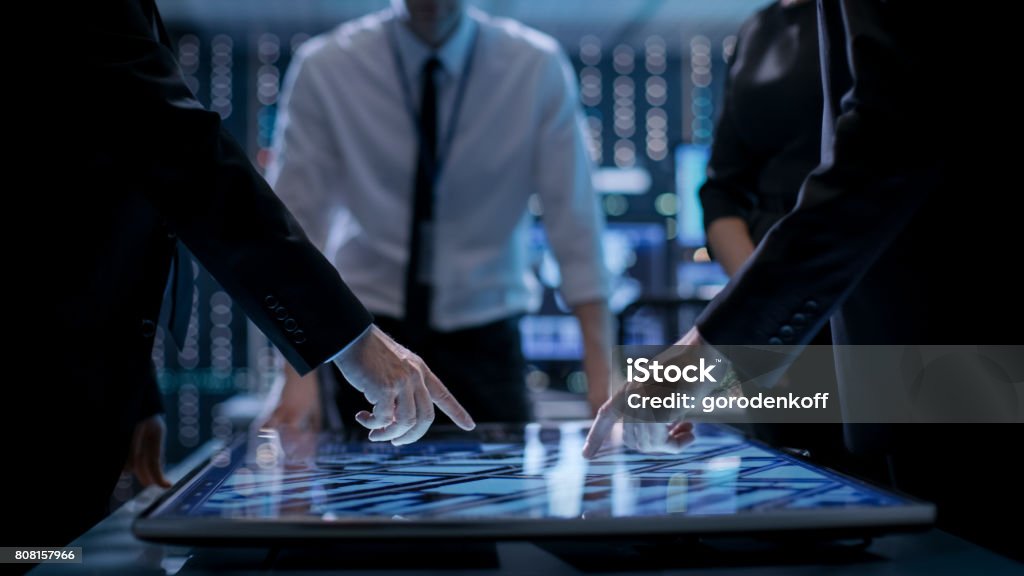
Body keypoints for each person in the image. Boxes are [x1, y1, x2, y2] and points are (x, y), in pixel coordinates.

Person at [22, 0, 473, 547]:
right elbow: (181, 155)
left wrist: (137, 390)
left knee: (49, 552)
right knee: (28, 555)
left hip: (86, 374)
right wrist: (351, 338)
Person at [586, 0, 1022, 558]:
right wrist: (751, 333)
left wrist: (715, 346)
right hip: (825, 315)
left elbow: (892, 141)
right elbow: (726, 186)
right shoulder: (763, 31)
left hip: (942, 342)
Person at [265, 0, 612, 429]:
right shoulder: (327, 66)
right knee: (362, 492)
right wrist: (296, 374)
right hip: (366, 333)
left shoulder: (534, 67)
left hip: (487, 337)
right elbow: (296, 224)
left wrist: (602, 379)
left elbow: (575, 224)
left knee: (497, 492)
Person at [698, 0, 857, 471]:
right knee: (779, 480)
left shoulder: (858, 13)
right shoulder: (758, 29)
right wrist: (765, 304)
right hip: (777, 312)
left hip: (857, 289)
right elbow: (722, 190)